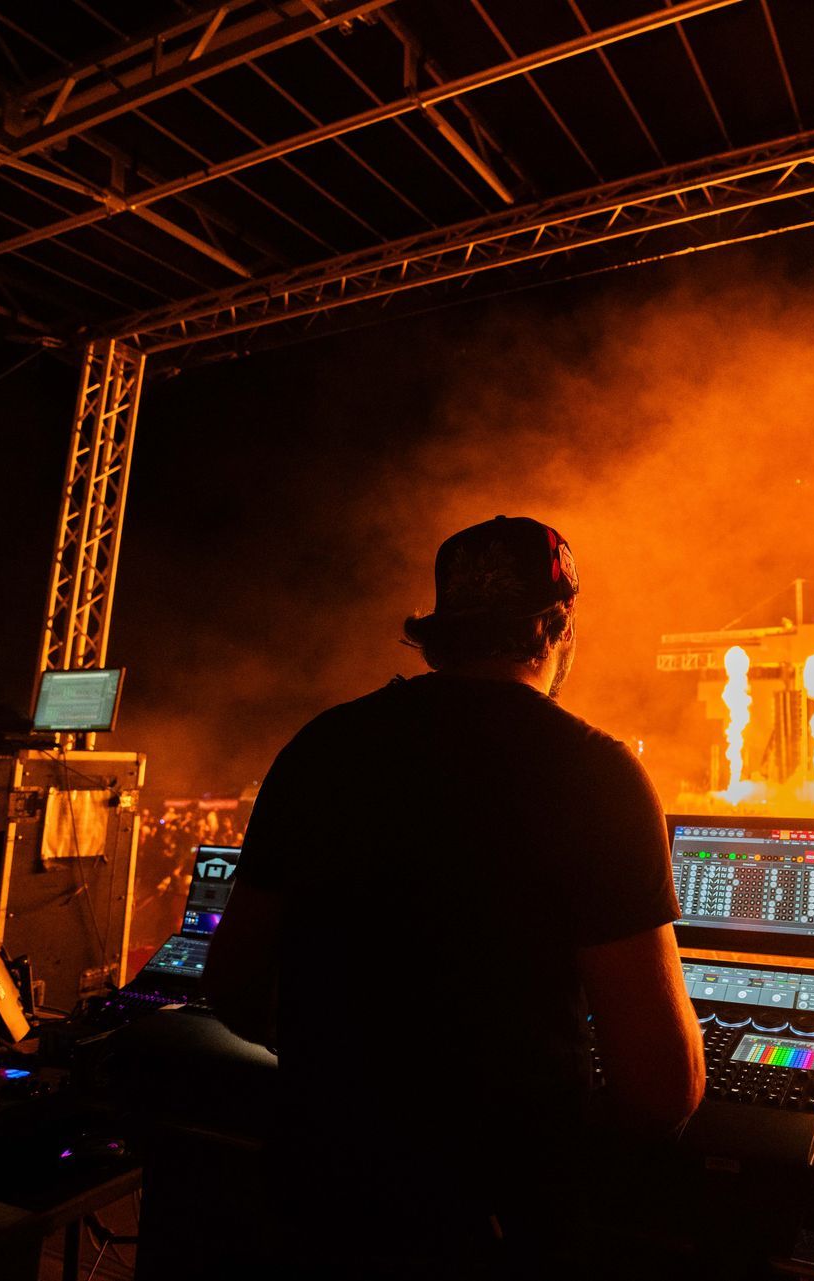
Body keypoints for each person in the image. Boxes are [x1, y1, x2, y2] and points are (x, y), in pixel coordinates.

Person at [205, 516, 704, 1277]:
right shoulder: (597, 776)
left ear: (439, 632)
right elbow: (662, 1087)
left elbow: (233, 984)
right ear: (558, 626)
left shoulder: (322, 746)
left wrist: (354, 1068)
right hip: (495, 1221)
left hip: (319, 1197)